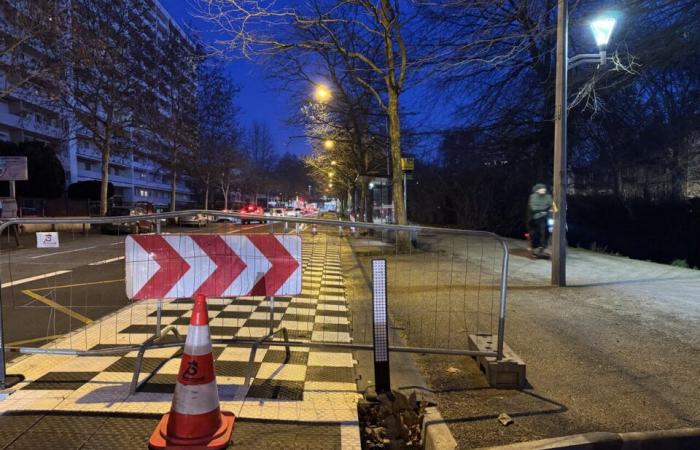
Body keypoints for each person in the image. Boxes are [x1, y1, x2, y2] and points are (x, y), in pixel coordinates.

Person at [527, 183, 553, 257]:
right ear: (537, 190)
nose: (543, 190)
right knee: (540, 230)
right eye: (541, 189)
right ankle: (537, 247)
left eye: (544, 188)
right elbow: (533, 208)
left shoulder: (548, 197)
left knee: (548, 231)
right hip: (537, 217)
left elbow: (552, 205)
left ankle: (543, 246)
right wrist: (544, 209)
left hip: (547, 216)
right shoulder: (533, 197)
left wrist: (548, 209)